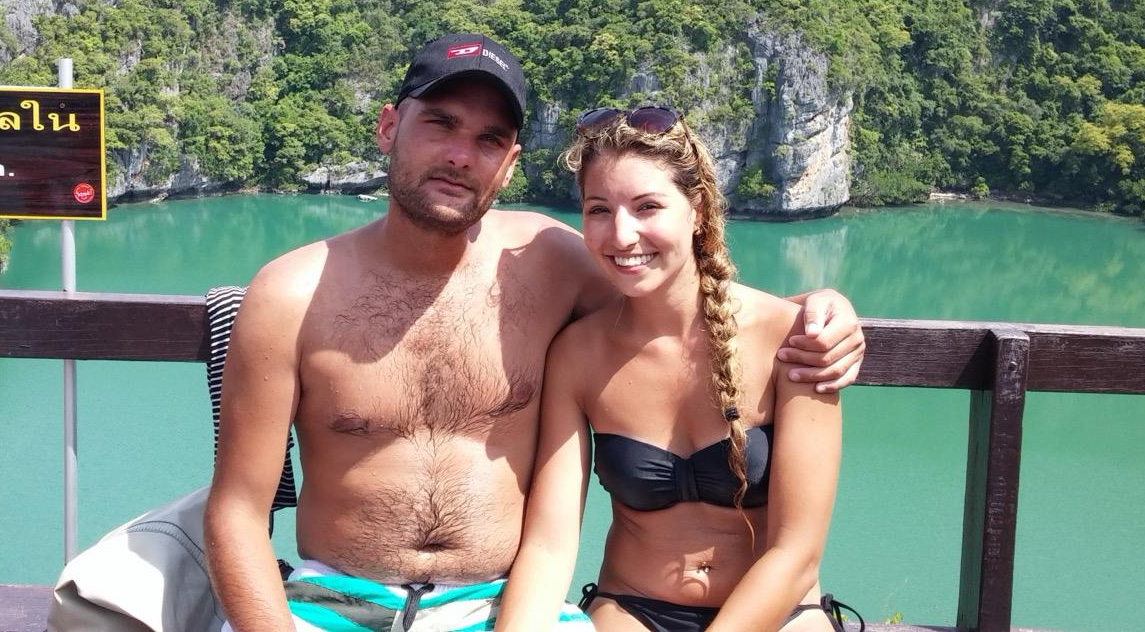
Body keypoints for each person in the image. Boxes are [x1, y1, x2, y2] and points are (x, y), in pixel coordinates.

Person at [204, 34, 864, 632]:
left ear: (510, 163)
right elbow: (236, 511)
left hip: (494, 603)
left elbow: (672, 295)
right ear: (388, 126)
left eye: (489, 139)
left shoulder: (550, 263)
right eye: (440, 123)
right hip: (331, 604)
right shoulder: (291, 295)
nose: (460, 155)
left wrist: (817, 309)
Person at [496, 106, 849, 632]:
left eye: (647, 207)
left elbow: (796, 553)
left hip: (780, 614)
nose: (621, 235)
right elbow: (549, 543)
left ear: (697, 211)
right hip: (631, 608)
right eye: (598, 210)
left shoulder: (794, 341)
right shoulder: (578, 356)